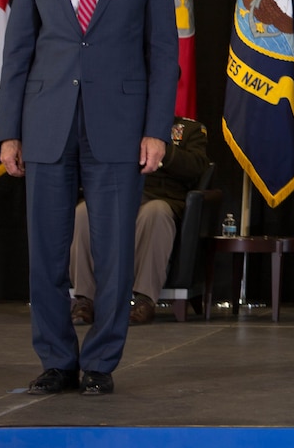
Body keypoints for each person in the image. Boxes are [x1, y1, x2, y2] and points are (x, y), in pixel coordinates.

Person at [0, 0, 180, 397]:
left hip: (121, 128)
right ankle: (57, 360)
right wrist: (10, 131)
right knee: (46, 253)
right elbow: (17, 55)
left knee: (114, 252)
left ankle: (99, 363)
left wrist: (155, 130)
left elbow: (163, 55)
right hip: (46, 123)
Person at [70, 117, 209, 326]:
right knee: (82, 212)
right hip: (117, 197)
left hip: (160, 197)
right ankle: (85, 300)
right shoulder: (118, 124)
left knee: (155, 212)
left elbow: (198, 166)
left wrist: (162, 150)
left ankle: (143, 300)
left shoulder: (190, 129)